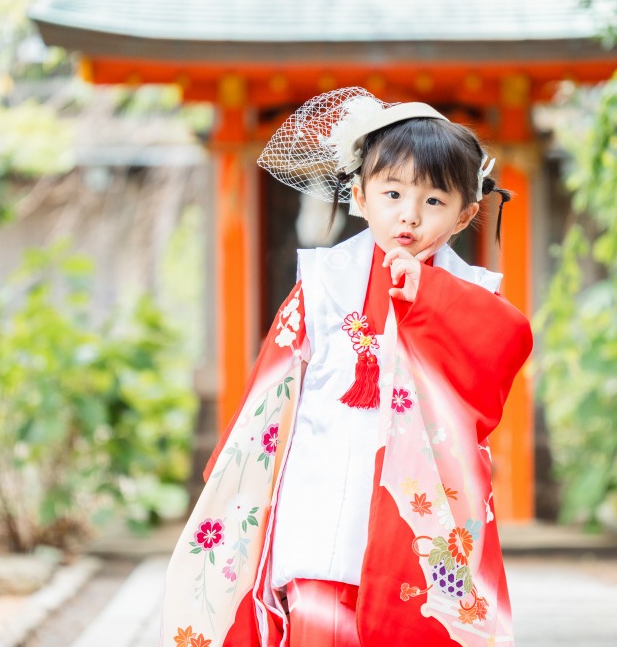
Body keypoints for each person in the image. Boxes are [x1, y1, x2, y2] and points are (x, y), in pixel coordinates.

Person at [162, 87, 534, 647]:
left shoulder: (474, 294)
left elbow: (503, 352)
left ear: (466, 214)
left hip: (420, 520)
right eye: (393, 193)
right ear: (360, 195)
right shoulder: (322, 284)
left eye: (434, 201)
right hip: (321, 500)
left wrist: (433, 298)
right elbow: (268, 398)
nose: (409, 215)